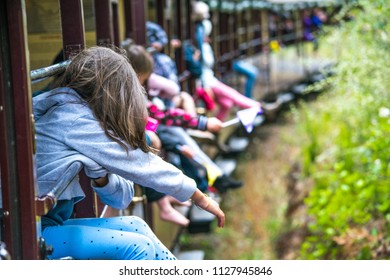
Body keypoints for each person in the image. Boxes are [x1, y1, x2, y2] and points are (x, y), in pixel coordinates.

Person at [33, 46, 224, 260]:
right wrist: (199, 197)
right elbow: (141, 164)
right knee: (137, 248)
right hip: (34, 233)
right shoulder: (73, 118)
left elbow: (121, 200)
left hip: (49, 225)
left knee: (135, 224)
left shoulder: (85, 120)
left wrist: (102, 177)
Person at [125, 43, 243, 193]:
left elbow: (158, 115)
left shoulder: (132, 92)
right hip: (151, 133)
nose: (145, 81)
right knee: (177, 139)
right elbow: (162, 113)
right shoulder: (132, 94)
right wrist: (201, 123)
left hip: (156, 128)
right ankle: (211, 180)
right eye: (145, 77)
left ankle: (212, 178)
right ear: (137, 73)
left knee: (179, 139)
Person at [192, 1, 262, 121]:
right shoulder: (197, 48)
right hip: (207, 82)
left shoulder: (204, 46)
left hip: (210, 78)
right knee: (233, 95)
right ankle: (257, 107)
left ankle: (214, 130)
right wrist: (203, 85)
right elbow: (198, 67)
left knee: (227, 104)